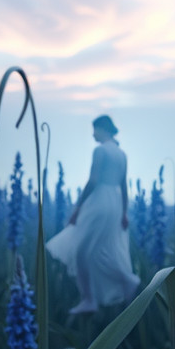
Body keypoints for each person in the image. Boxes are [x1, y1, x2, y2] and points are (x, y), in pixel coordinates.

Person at [45, 114, 140, 315]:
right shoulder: (122, 154)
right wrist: (124, 212)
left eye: (94, 129)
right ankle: (123, 282)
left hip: (99, 201)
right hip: (114, 203)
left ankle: (91, 298)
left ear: (103, 128)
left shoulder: (99, 151)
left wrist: (78, 207)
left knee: (81, 251)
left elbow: (93, 180)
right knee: (102, 250)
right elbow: (124, 186)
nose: (92, 134)